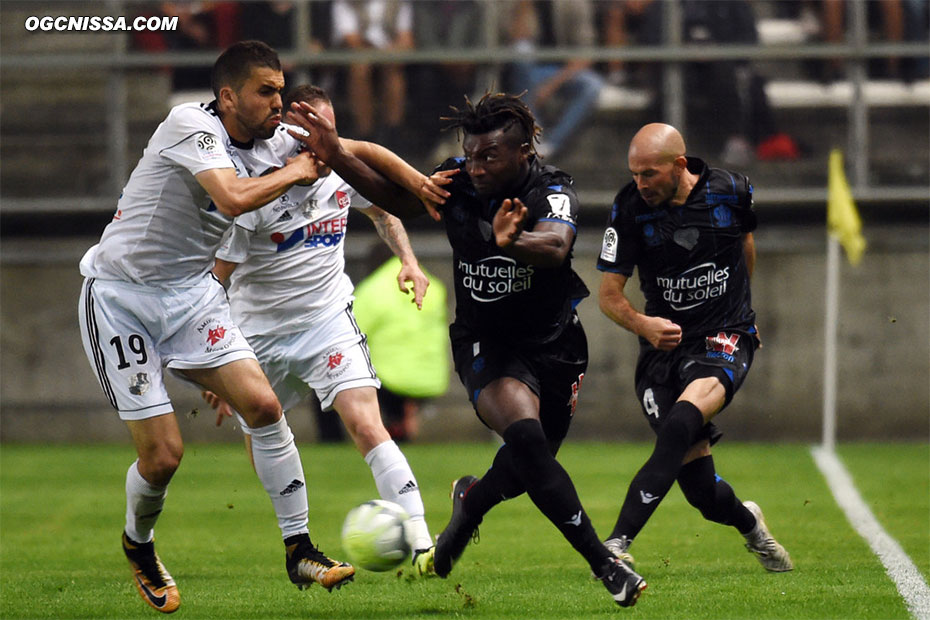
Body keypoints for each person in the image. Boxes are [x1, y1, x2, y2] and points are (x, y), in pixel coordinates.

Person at [76, 41, 444, 614]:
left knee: (266, 409)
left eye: (281, 88)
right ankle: (139, 543)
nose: (279, 101)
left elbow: (361, 149)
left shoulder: (279, 141)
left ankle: (299, 548)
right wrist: (300, 169)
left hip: (192, 298)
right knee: (164, 457)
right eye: (266, 91)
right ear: (228, 97)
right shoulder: (189, 126)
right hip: (122, 299)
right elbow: (230, 198)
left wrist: (420, 185)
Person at [285, 91, 648, 607]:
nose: (475, 167)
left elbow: (555, 248)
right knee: (526, 441)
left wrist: (511, 243)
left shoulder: (553, 188)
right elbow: (403, 201)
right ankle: (605, 565)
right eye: (471, 154)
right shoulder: (457, 181)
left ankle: (469, 504)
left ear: (523, 152)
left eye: (489, 157)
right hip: (486, 344)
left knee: (528, 470)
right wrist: (339, 155)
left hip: (556, 346)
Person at [203, 84, 438, 575]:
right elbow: (217, 279)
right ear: (291, 136)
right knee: (266, 435)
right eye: (316, 136)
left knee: (366, 422)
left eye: (332, 134)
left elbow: (383, 210)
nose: (328, 146)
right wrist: (214, 355)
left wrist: (409, 262)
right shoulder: (258, 191)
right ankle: (299, 541)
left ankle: (420, 541)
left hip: (326, 321)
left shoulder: (341, 173)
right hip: (258, 334)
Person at [595, 123, 794, 586]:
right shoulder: (628, 208)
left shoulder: (731, 191)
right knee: (702, 493)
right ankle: (752, 527)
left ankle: (615, 545)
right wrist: (643, 324)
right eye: (635, 174)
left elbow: (745, 246)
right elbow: (608, 295)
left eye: (650, 174)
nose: (640, 184)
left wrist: (744, 314)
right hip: (661, 348)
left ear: (679, 166)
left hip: (723, 338)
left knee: (682, 422)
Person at [352, 241, 450, 441]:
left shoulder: (373, 289)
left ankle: (332, 439)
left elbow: (351, 331)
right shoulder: (435, 287)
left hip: (390, 379)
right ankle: (406, 414)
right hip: (431, 376)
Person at [504, 0, 605, 159]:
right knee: (522, 50)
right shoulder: (517, 5)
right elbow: (514, 43)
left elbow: (586, 54)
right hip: (529, 72)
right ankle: (532, 133)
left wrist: (550, 86)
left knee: (592, 85)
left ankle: (551, 145)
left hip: (564, 71)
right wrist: (523, 8)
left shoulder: (574, 4)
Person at [331, 0, 414, 148]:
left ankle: (393, 134)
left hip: (391, 58)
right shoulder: (345, 3)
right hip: (356, 58)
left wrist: (391, 52)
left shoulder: (399, 3)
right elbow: (350, 39)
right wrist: (378, 53)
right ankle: (365, 135)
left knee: (394, 72)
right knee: (360, 68)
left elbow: (406, 39)